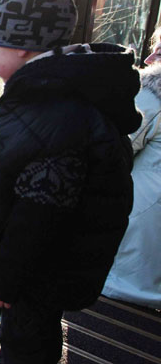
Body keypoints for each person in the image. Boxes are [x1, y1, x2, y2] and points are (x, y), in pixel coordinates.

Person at [0, 0, 142, 364]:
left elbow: (40, 215)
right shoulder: (45, 90)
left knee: (27, 339)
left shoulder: (60, 111)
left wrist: (6, 280)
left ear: (22, 45)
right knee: (28, 329)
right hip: (39, 264)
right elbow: (13, 162)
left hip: (40, 271)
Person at [102, 26, 161, 308]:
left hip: (139, 224)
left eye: (159, 51)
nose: (149, 59)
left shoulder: (152, 96)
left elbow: (109, 151)